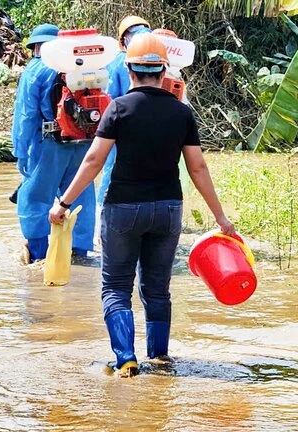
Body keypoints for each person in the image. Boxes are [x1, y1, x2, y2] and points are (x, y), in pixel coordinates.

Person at [49, 34, 236, 377]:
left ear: (129, 69)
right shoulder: (181, 113)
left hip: (124, 208)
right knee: (157, 288)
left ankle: (126, 360)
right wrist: (220, 217)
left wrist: (63, 202)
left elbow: (93, 162)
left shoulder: (118, 109)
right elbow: (198, 167)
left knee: (116, 288)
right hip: (167, 210)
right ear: (164, 71)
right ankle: (161, 358)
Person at [14, 24, 96, 263]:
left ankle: (39, 256)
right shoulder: (85, 68)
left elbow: (26, 116)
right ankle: (80, 255)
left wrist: (21, 152)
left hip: (48, 145)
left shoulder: (36, 70)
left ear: (36, 47)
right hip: (82, 144)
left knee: (34, 198)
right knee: (80, 197)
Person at [97, 15, 152, 206]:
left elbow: (108, 100)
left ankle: (106, 210)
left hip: (124, 126)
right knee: (116, 170)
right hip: (132, 128)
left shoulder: (119, 61)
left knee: (116, 170)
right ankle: (106, 208)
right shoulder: (152, 60)